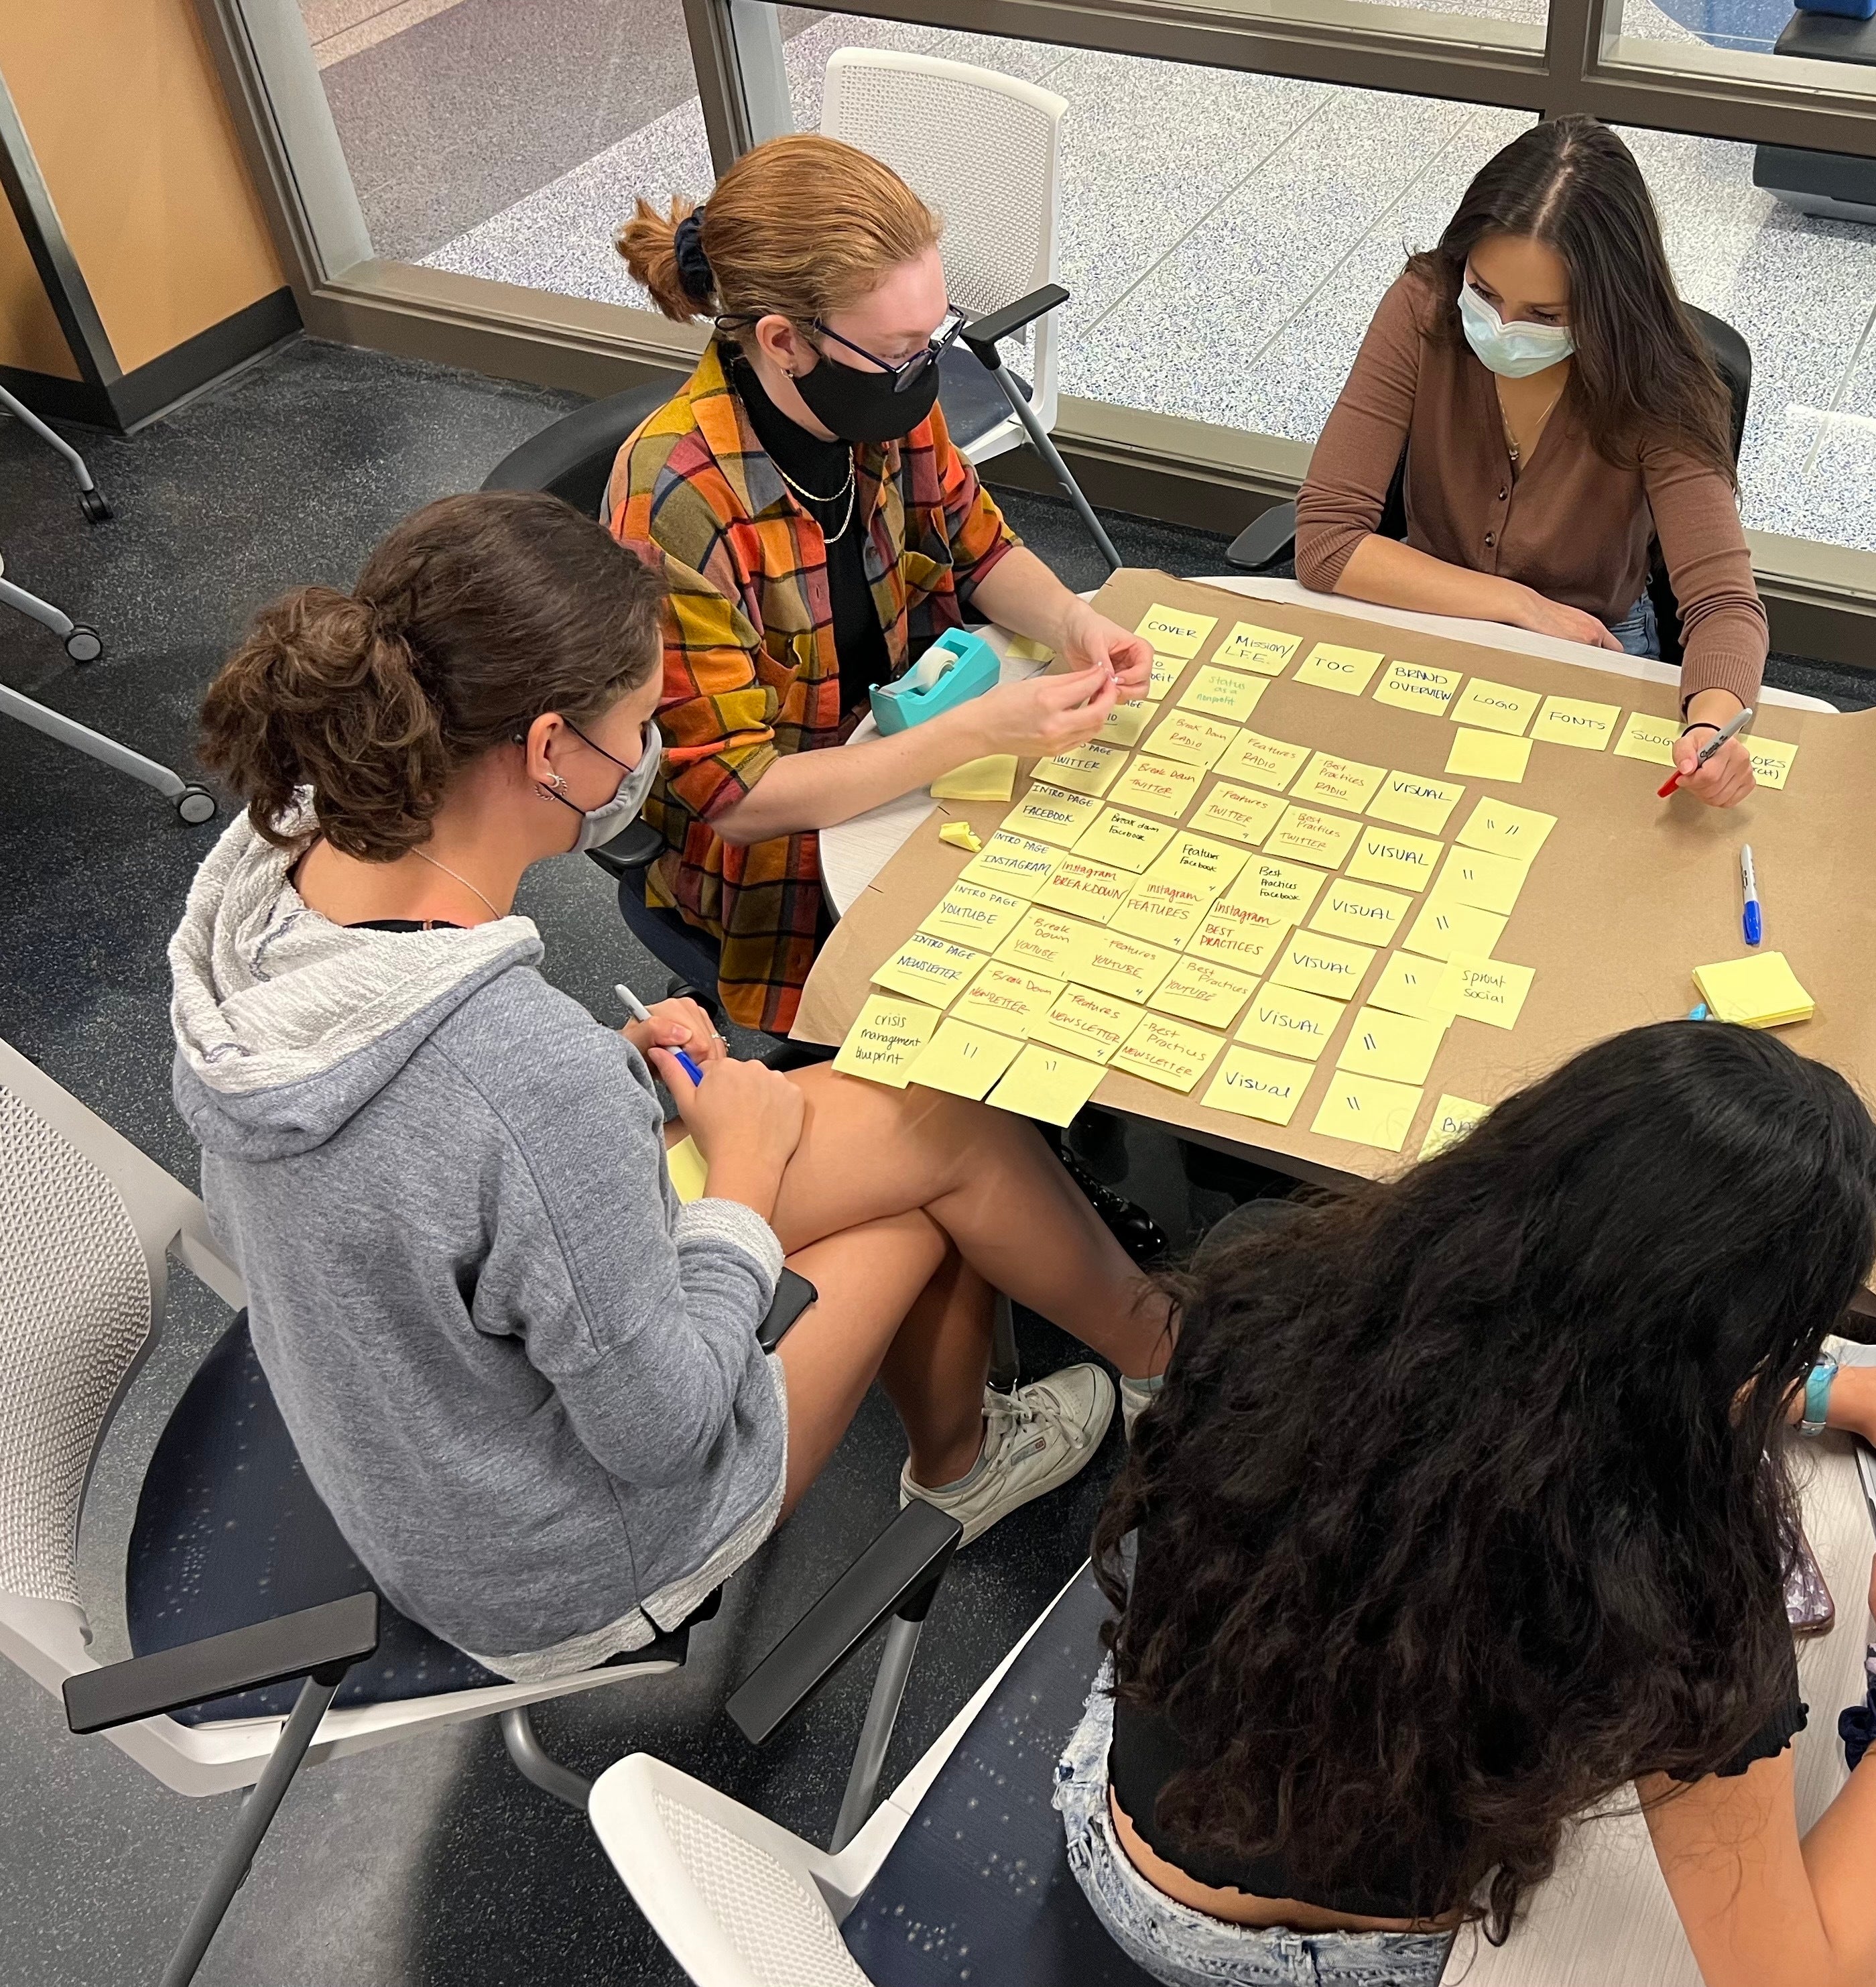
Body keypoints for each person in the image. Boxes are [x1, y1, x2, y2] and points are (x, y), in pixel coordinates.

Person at [170, 491, 1171, 1681]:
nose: (650, 760)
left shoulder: (272, 855)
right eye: (641, 725)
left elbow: (445, 1158)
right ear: (548, 750)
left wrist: (613, 1128)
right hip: (568, 1557)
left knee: (934, 1116)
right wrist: (740, 1176)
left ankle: (1150, 1352)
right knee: (909, 1205)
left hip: (407, 1396)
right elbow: (665, 1425)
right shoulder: (520, 1068)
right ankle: (1034, 1434)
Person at [1065, 1021, 1876, 1987]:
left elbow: (1555, 1349)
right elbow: (1794, 1974)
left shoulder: (1278, 1274)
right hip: (1303, 1953)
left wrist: (1817, 1388)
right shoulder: (1670, 1577)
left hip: (1123, 1800)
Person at [609, 135, 1155, 1032]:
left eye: (933, 334)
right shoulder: (676, 501)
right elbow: (737, 798)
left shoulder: (880, 396)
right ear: (784, 342)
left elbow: (978, 550)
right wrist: (982, 730)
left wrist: (1070, 623)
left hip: (919, 756)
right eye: (902, 348)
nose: (926, 371)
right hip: (781, 867)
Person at [1295, 115, 1768, 812]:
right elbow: (1327, 541)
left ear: (1608, 309)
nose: (1501, 328)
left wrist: (1711, 725)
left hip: (1592, 641)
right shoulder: (1424, 305)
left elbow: (1724, 603)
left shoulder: (1662, 385)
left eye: (1545, 317)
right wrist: (1521, 607)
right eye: (1484, 294)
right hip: (1428, 605)